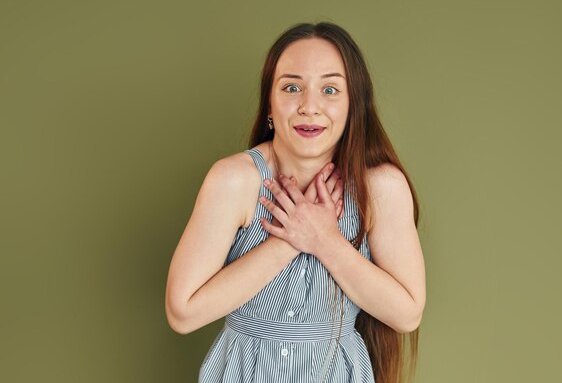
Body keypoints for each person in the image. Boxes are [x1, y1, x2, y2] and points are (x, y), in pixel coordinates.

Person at [165, 22, 426, 383]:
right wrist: (288, 241)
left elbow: (407, 313)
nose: (309, 107)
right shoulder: (234, 180)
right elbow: (183, 313)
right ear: (269, 105)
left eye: (330, 89)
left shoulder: (381, 187)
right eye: (291, 87)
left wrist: (325, 241)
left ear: (354, 105)